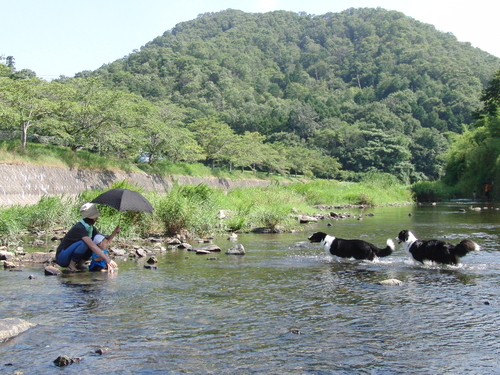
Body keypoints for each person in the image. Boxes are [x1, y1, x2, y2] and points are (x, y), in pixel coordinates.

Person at [56, 202, 119, 272]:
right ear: (89, 218)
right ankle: (71, 265)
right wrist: (107, 259)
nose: (96, 219)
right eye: (95, 217)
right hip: (62, 257)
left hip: (70, 255)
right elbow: (92, 245)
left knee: (94, 242)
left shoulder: (91, 228)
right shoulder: (79, 227)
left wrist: (114, 232)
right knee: (86, 243)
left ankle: (80, 264)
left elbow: (103, 241)